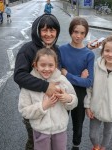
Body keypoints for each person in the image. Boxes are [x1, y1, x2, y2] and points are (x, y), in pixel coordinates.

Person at [14, 14, 61, 150]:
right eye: (44, 30)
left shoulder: (56, 50)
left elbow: (57, 74)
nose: (48, 34)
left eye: (52, 30)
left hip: (53, 108)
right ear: (37, 31)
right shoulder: (27, 50)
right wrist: (45, 86)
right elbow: (19, 75)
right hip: (34, 108)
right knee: (35, 142)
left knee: (51, 141)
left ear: (57, 32)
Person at [18, 48, 78, 150]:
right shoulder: (29, 84)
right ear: (35, 65)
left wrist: (68, 98)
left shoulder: (62, 80)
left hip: (60, 129)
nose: (47, 69)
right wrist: (43, 106)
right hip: (40, 130)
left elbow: (74, 100)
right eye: (42, 65)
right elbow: (24, 110)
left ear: (56, 66)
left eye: (50, 65)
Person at [59, 17, 95, 150]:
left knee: (78, 124)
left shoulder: (89, 55)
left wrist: (67, 74)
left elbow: (89, 82)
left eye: (82, 33)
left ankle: (75, 146)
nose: (78, 36)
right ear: (70, 31)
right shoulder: (62, 50)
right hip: (63, 91)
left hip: (80, 94)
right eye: (75, 32)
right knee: (60, 122)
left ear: (85, 34)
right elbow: (58, 74)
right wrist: (79, 78)